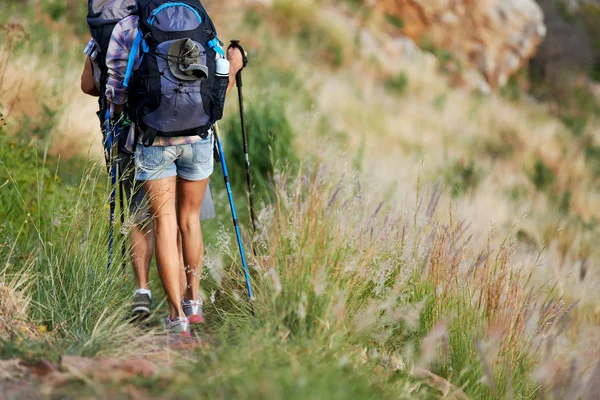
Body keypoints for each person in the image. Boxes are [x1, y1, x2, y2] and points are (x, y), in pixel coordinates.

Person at [105, 11, 244, 336]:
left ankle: (175, 318)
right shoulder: (201, 20)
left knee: (164, 224)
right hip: (198, 137)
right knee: (190, 220)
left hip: (154, 139)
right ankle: (194, 301)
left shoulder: (130, 25)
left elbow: (116, 91)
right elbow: (219, 76)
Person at [81, 40, 154, 319]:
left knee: (137, 215)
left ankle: (142, 291)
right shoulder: (191, 16)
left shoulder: (116, 24)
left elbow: (89, 85)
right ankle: (187, 300)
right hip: (187, 132)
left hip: (128, 136)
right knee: (179, 217)